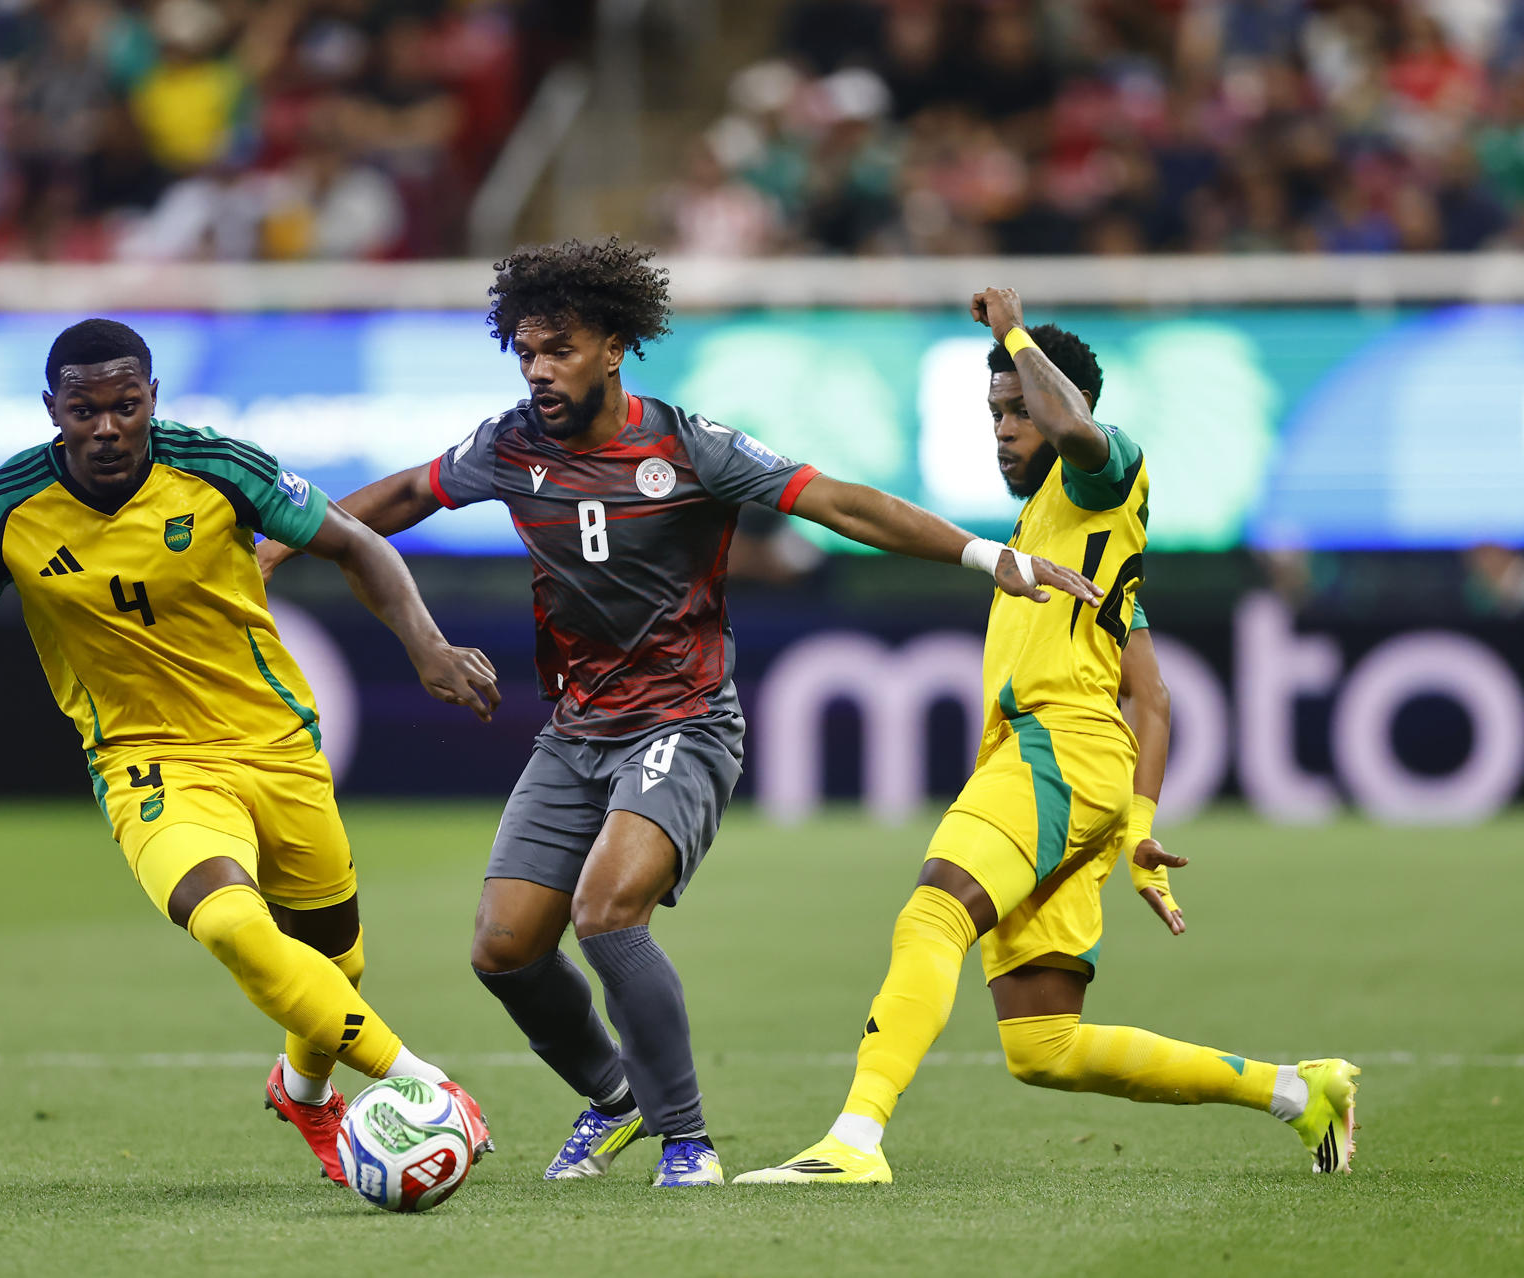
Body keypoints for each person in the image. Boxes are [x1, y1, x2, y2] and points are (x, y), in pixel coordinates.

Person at [258, 240, 1100, 1187]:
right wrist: (288, 540)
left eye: (560, 350)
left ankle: (685, 1140)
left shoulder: (689, 446)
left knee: (608, 913)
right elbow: (407, 496)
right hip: (577, 733)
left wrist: (988, 558)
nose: (539, 370)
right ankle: (613, 1100)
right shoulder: (510, 445)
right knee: (503, 950)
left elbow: (841, 505)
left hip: (686, 723)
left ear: (614, 345)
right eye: (527, 352)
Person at [0, 318, 497, 1187]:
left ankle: (303, 1091)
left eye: (125, 406)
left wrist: (428, 648)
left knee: (337, 960)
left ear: (152, 401)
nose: (106, 427)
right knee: (230, 921)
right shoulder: (7, 508)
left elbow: (356, 542)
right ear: (53, 411)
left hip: (273, 743)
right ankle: (431, 1090)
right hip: (147, 762)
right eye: (84, 410)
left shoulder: (220, 467)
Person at [735, 292, 1359, 1185]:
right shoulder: (1065, 537)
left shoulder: (1106, 471)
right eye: (994, 413)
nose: (1004, 431)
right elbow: (1153, 693)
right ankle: (1302, 1092)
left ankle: (855, 1142)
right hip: (1085, 771)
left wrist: (1012, 335)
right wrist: (1138, 826)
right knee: (1044, 1043)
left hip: (1057, 750)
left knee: (934, 910)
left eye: (1018, 411)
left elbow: (1074, 427)